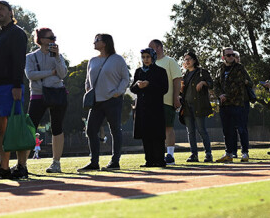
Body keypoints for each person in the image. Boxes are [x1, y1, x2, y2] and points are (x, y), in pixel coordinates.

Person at [0, 0, 29, 180]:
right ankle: (4, 167)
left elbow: (19, 61)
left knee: (16, 127)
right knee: (1, 130)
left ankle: (22, 166)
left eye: (2, 9)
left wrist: (17, 85)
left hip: (10, 87)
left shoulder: (17, 34)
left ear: (11, 12)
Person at [78, 34, 130, 171]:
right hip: (96, 101)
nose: (94, 42)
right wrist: (88, 89)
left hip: (113, 100)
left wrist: (118, 92)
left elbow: (125, 78)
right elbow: (87, 80)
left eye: (97, 40)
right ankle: (94, 162)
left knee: (115, 130)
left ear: (105, 43)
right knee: (90, 130)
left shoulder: (117, 59)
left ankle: (115, 161)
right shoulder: (92, 60)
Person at [25, 27, 68, 173]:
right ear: (42, 40)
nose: (53, 41)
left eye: (54, 38)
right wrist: (50, 73)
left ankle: (56, 163)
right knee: (30, 127)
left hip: (57, 93)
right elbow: (30, 75)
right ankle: (22, 163)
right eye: (51, 38)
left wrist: (56, 58)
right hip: (38, 94)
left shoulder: (58, 56)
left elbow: (62, 74)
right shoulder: (30, 57)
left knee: (57, 128)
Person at [214, 47, 253, 162]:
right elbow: (216, 84)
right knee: (227, 130)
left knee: (241, 129)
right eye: (228, 55)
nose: (231, 57)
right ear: (223, 57)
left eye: (232, 54)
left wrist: (226, 96)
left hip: (237, 103)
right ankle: (229, 153)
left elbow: (239, 84)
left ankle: (245, 153)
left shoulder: (239, 68)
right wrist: (220, 95)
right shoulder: (220, 69)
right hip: (224, 105)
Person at [130, 48, 168, 167]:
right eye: (144, 57)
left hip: (156, 108)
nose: (146, 59)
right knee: (146, 135)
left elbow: (164, 89)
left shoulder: (161, 71)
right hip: (142, 109)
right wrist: (138, 85)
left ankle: (160, 160)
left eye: (148, 57)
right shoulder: (138, 72)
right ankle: (149, 160)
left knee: (157, 135)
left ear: (153, 57)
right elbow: (132, 88)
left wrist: (149, 84)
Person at [148, 39, 183, 165]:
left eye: (151, 47)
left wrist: (176, 97)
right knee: (155, 130)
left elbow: (177, 80)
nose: (149, 50)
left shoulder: (170, 61)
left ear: (159, 47)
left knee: (168, 128)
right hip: (152, 103)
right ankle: (157, 155)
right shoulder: (150, 64)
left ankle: (170, 155)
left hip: (166, 101)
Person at [180, 51, 214, 162]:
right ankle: (193, 154)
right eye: (185, 59)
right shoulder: (184, 75)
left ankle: (208, 154)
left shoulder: (201, 72)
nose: (187, 61)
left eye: (189, 58)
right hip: (187, 106)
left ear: (194, 60)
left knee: (201, 130)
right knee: (190, 132)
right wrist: (181, 88)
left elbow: (211, 83)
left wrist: (203, 82)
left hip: (199, 105)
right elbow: (182, 93)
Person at [232, 51, 253, 161]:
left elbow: (250, 83)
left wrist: (245, 81)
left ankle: (245, 151)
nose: (236, 59)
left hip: (243, 102)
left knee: (242, 127)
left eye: (237, 57)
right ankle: (232, 151)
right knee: (232, 128)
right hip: (230, 103)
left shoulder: (242, 69)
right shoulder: (224, 70)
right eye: (234, 57)